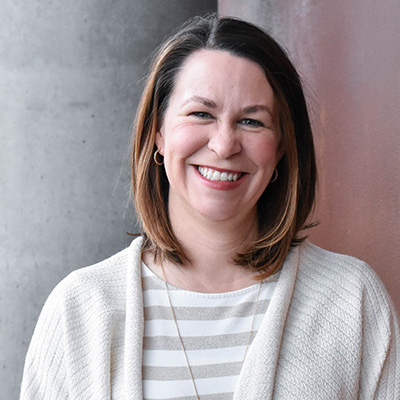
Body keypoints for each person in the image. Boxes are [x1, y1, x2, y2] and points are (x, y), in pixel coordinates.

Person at [20, 14, 400, 399]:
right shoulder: (81, 309)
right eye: (201, 113)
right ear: (158, 132)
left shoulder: (351, 301)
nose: (224, 145)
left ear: (282, 148)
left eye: (252, 121)